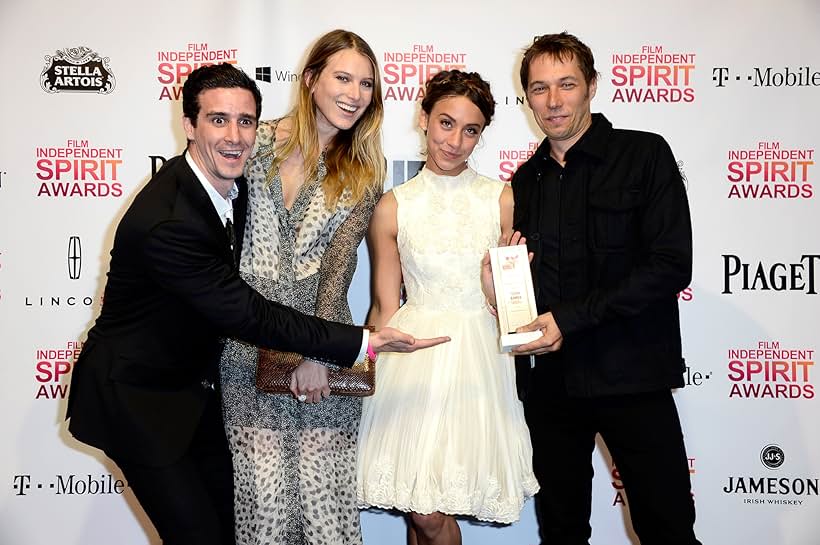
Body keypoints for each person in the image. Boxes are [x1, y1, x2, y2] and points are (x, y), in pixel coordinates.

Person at [65, 62, 446, 545]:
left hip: (197, 390)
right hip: (143, 398)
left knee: (233, 528)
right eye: (218, 120)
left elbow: (333, 268)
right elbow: (247, 312)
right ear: (189, 125)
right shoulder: (172, 220)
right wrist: (357, 343)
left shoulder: (222, 187)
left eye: (245, 122)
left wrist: (329, 348)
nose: (235, 136)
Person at [488, 32, 701, 545]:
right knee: (562, 534)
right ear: (527, 97)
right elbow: (526, 285)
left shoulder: (644, 155)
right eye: (540, 88)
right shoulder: (524, 182)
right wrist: (500, 285)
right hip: (551, 387)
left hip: (632, 376)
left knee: (667, 528)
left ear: (592, 87)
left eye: (567, 84)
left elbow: (671, 265)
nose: (554, 101)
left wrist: (570, 319)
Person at [357, 70, 539, 545]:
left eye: (471, 130)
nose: (455, 141)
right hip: (411, 359)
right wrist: (365, 371)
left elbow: (520, 311)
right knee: (419, 510)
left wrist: (495, 294)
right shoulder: (393, 205)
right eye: (445, 123)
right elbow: (383, 305)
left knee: (430, 511)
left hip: (477, 362)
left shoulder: (501, 199)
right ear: (423, 118)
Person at [218, 30, 385, 545]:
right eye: (342, 78)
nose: (355, 94)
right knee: (262, 510)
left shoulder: (363, 173)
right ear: (311, 80)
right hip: (245, 346)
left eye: (365, 84)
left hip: (320, 356)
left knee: (325, 512)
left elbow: (339, 274)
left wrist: (319, 352)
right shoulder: (255, 143)